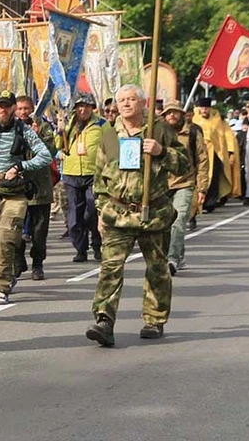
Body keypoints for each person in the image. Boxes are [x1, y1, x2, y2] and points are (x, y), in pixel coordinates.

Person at [85, 85, 189, 347]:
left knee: (157, 267)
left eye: (131, 99)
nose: (126, 104)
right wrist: (100, 210)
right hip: (118, 212)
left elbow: (184, 164)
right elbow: (100, 178)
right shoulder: (110, 134)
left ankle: (154, 319)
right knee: (110, 268)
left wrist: (161, 152)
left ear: (143, 103)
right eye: (121, 100)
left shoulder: (159, 130)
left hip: (153, 211)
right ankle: (104, 320)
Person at [0, 91, 52, 304]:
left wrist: (21, 166)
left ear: (13, 108)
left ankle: (1, 286)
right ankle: (11, 266)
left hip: (14, 192)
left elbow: (45, 155)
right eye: (0, 105)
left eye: (8, 105)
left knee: (5, 238)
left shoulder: (24, 130)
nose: (4, 109)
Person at [57, 92, 109, 263]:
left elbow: (114, 148)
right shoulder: (69, 123)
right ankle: (80, 249)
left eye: (86, 106)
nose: (82, 109)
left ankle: (96, 244)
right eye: (79, 106)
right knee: (74, 217)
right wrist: (59, 131)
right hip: (71, 175)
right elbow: (58, 147)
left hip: (93, 175)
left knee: (91, 211)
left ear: (92, 108)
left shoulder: (102, 124)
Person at [161, 100, 208, 275]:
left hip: (185, 183)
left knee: (178, 220)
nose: (172, 115)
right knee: (163, 225)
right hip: (162, 184)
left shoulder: (193, 133)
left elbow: (202, 160)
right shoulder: (158, 132)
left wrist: (202, 187)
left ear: (182, 114)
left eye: (175, 112)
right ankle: (179, 256)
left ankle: (172, 258)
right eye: (168, 112)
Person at [13, 95, 56, 281]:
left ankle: (38, 264)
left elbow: (52, 152)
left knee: (39, 232)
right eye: (20, 108)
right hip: (17, 186)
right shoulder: (10, 128)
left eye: (26, 108)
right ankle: (18, 259)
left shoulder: (43, 126)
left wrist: (37, 136)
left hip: (40, 187)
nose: (23, 112)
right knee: (15, 228)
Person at [193, 97, 240, 212]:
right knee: (200, 178)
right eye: (202, 108)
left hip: (215, 154)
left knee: (213, 179)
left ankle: (210, 203)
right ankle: (198, 203)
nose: (204, 110)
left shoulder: (218, 119)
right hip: (199, 154)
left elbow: (228, 136)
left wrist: (230, 152)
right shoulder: (194, 119)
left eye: (206, 108)